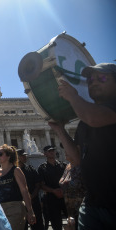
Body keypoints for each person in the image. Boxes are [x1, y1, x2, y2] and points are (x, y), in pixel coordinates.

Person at [49, 63, 116, 229]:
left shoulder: (97, 113)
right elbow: (76, 159)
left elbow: (94, 118)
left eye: (101, 78)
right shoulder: (84, 122)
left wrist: (73, 97)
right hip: (93, 201)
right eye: (90, 80)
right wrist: (59, 130)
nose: (93, 82)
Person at [0, 144, 36, 230]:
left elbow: (24, 191)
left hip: (15, 207)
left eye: (0, 154)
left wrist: (30, 211)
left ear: (8, 156)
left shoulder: (16, 170)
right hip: (0, 209)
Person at [37, 145, 67, 230]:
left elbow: (68, 179)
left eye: (53, 151)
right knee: (56, 223)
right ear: (45, 154)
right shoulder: (42, 168)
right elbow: (41, 185)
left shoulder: (63, 165)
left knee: (71, 219)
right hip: (51, 198)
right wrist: (53, 191)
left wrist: (63, 190)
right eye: (49, 151)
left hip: (65, 196)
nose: (52, 152)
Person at [17, 149, 44, 230]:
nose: (25, 157)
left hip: (34, 202)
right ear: (17, 157)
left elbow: (38, 184)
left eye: (25, 155)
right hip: (20, 204)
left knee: (38, 225)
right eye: (22, 156)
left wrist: (31, 197)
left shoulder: (31, 169)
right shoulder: (13, 171)